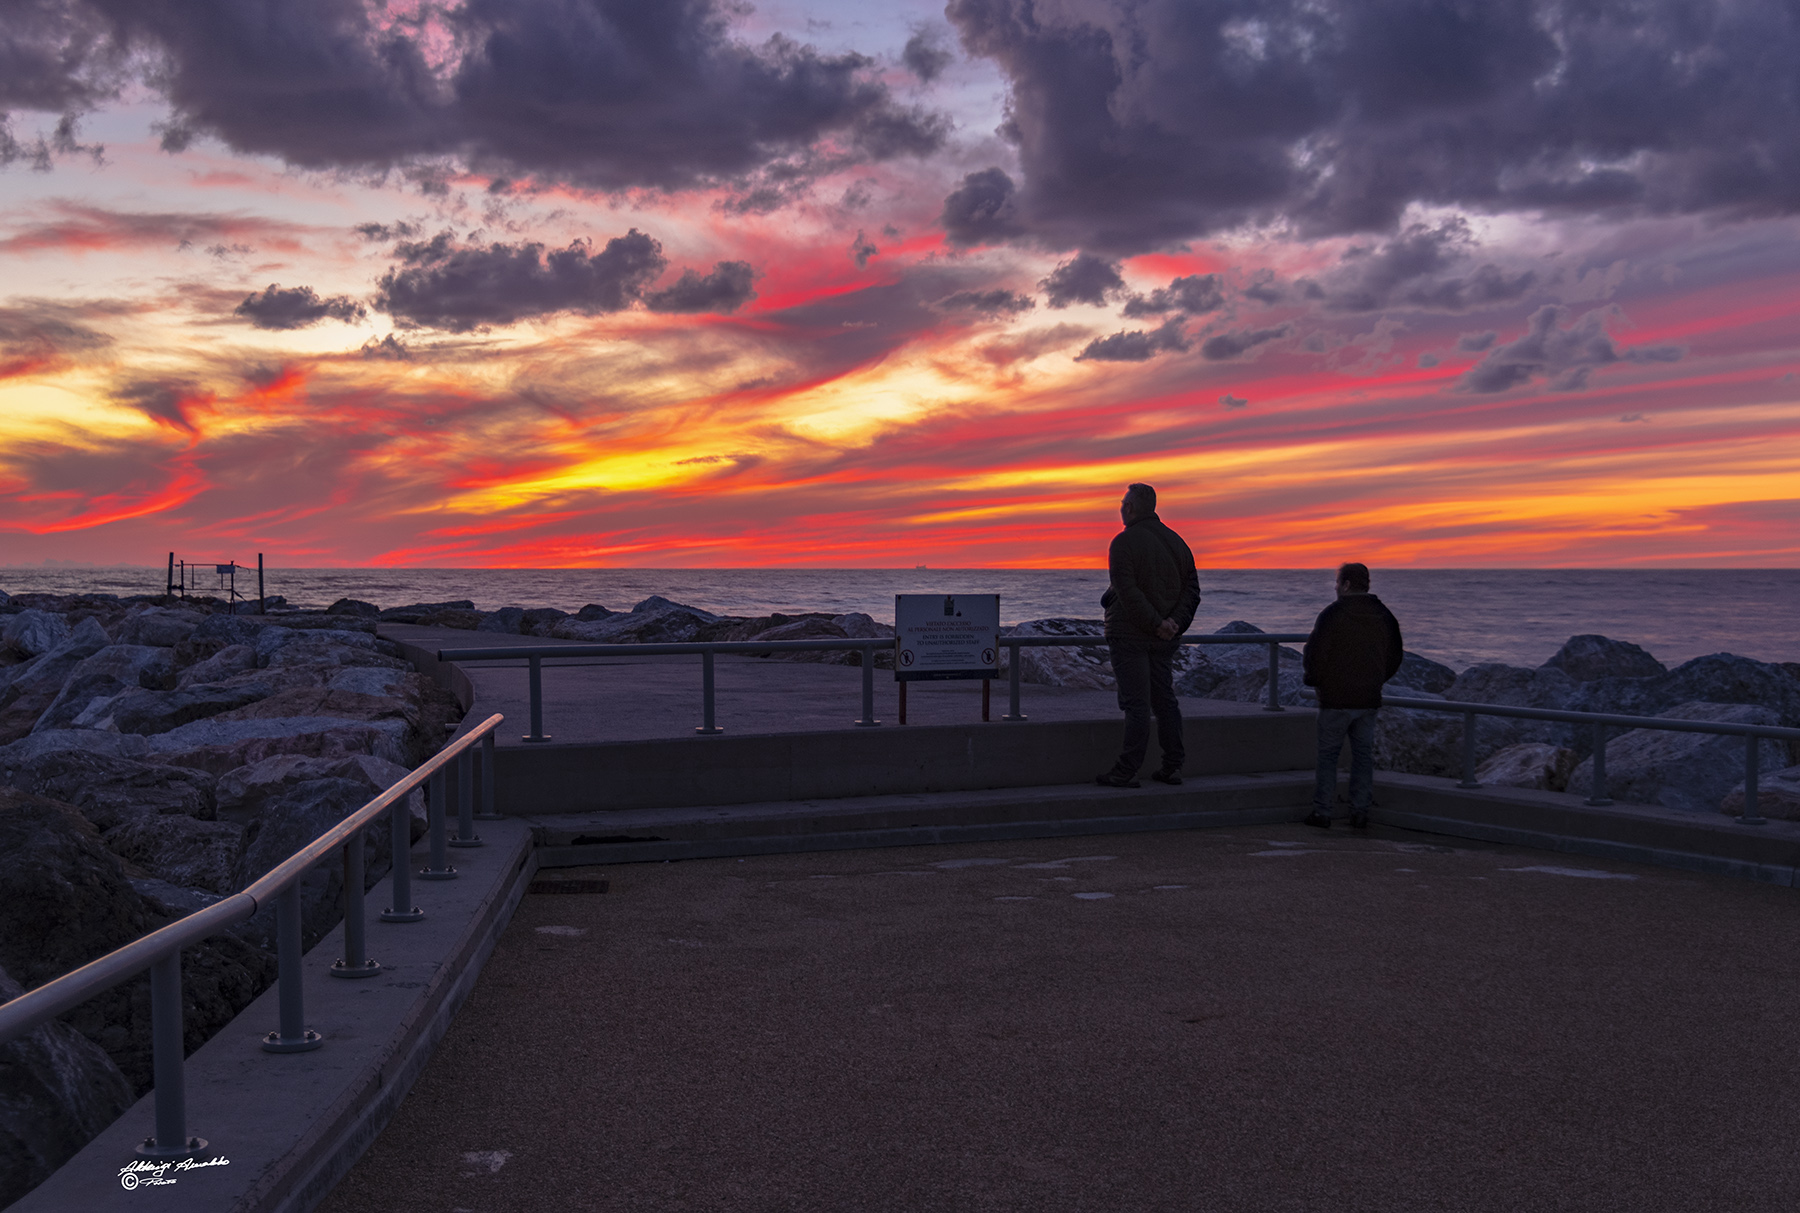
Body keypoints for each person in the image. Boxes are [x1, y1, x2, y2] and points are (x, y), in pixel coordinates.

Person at [1097, 483, 1201, 788]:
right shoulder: (1177, 542)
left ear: (1129, 508)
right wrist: (1173, 624)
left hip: (1130, 636)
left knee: (1136, 705)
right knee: (1165, 700)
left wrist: (1157, 623)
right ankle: (1173, 766)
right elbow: (1192, 591)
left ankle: (1126, 771)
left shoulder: (1123, 542)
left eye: (1122, 503)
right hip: (1163, 638)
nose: (1120, 508)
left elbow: (1127, 590)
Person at [1301, 562, 1403, 829]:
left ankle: (1322, 812)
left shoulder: (1333, 614)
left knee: (1328, 757)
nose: (1335, 587)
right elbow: (1395, 656)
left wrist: (1315, 681)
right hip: (1368, 699)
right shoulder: (1384, 615)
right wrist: (1376, 680)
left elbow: (1315, 654)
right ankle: (1360, 811)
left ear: (1346, 585)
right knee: (1363, 756)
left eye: (1337, 583)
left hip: (1335, 699)